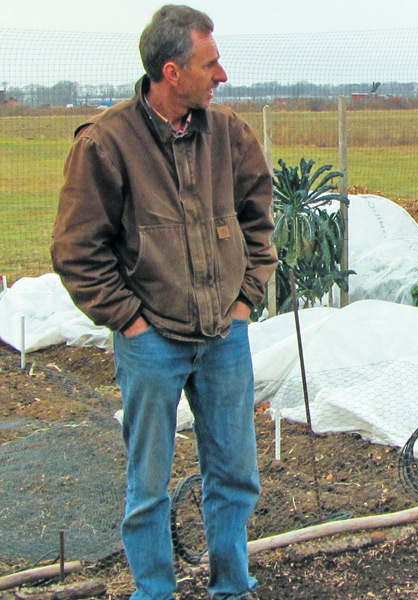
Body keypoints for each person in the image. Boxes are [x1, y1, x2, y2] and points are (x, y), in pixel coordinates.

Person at [51, 5, 276, 599]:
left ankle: (232, 587)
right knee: (147, 483)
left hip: (224, 336)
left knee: (235, 476)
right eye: (210, 62)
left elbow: (260, 223)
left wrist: (245, 300)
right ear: (171, 72)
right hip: (152, 343)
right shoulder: (106, 143)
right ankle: (154, 591)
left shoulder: (229, 135)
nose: (222, 74)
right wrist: (130, 322)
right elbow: (77, 250)